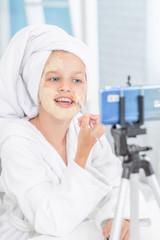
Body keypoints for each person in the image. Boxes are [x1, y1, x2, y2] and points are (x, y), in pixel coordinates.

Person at [0, 24, 147, 240]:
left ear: (85, 95)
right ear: (36, 90)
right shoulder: (16, 141)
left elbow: (116, 181)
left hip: (77, 230)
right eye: (54, 78)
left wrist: (118, 218)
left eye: (76, 80)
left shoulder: (83, 128)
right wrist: (82, 155)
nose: (66, 87)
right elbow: (48, 221)